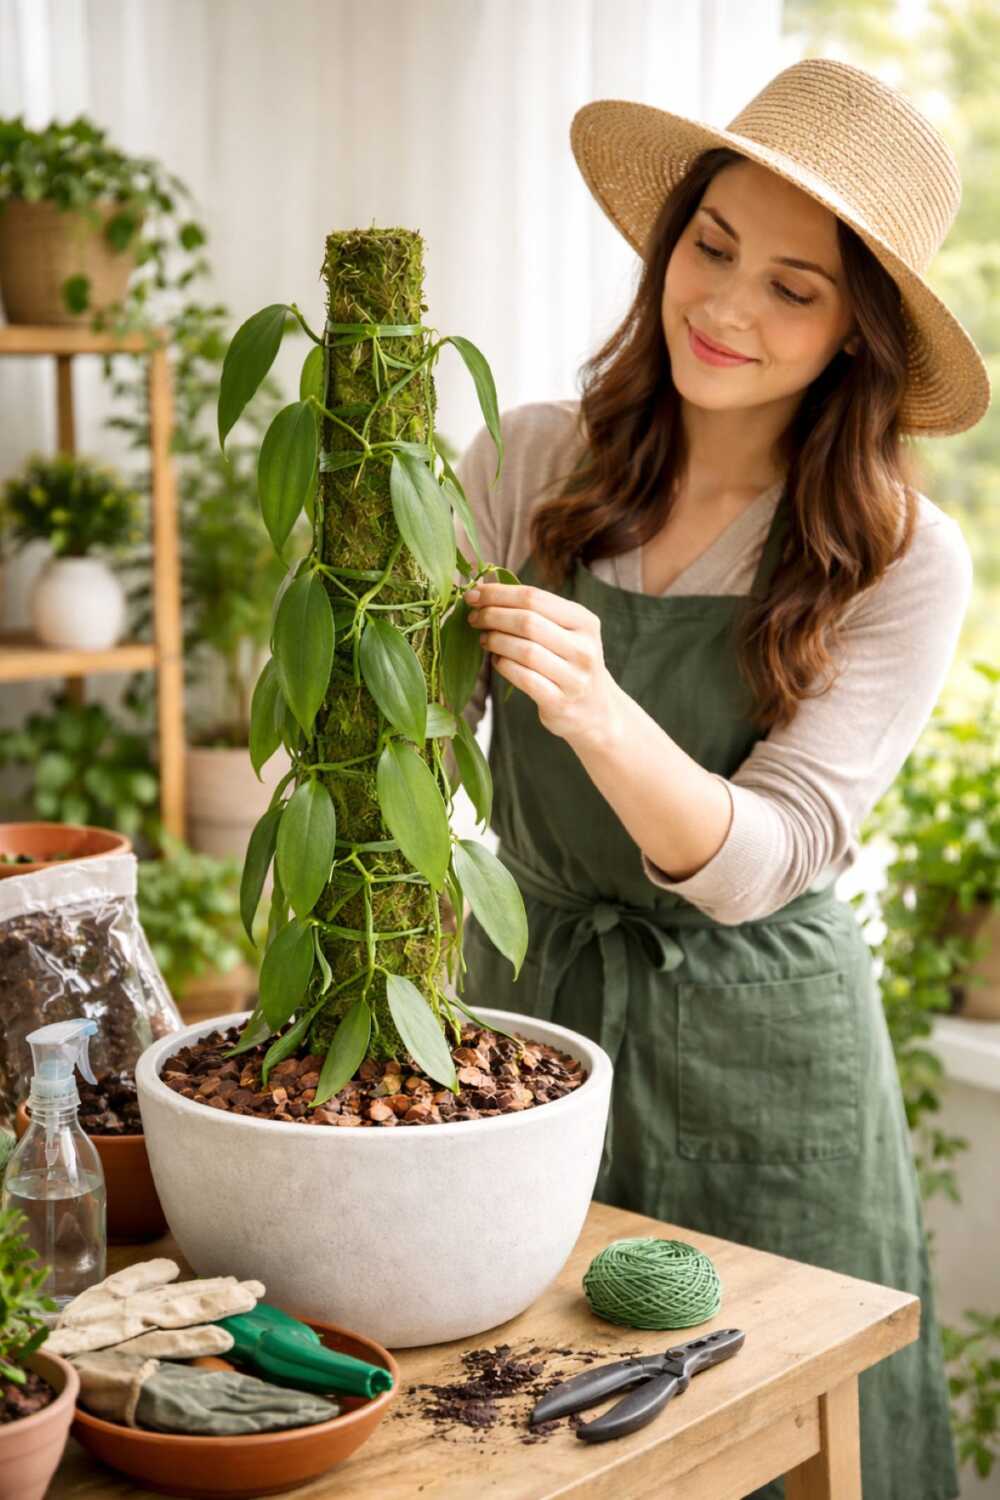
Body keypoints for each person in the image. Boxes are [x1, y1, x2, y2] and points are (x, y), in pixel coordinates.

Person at [452, 57, 989, 1500]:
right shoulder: (532, 461)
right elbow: (402, 719)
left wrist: (596, 708)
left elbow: (768, 857)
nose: (728, 308)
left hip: (766, 1052)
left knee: (783, 1431)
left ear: (857, 331)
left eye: (793, 289)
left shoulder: (900, 555)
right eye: (712, 246)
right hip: (533, 1008)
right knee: (509, 1417)